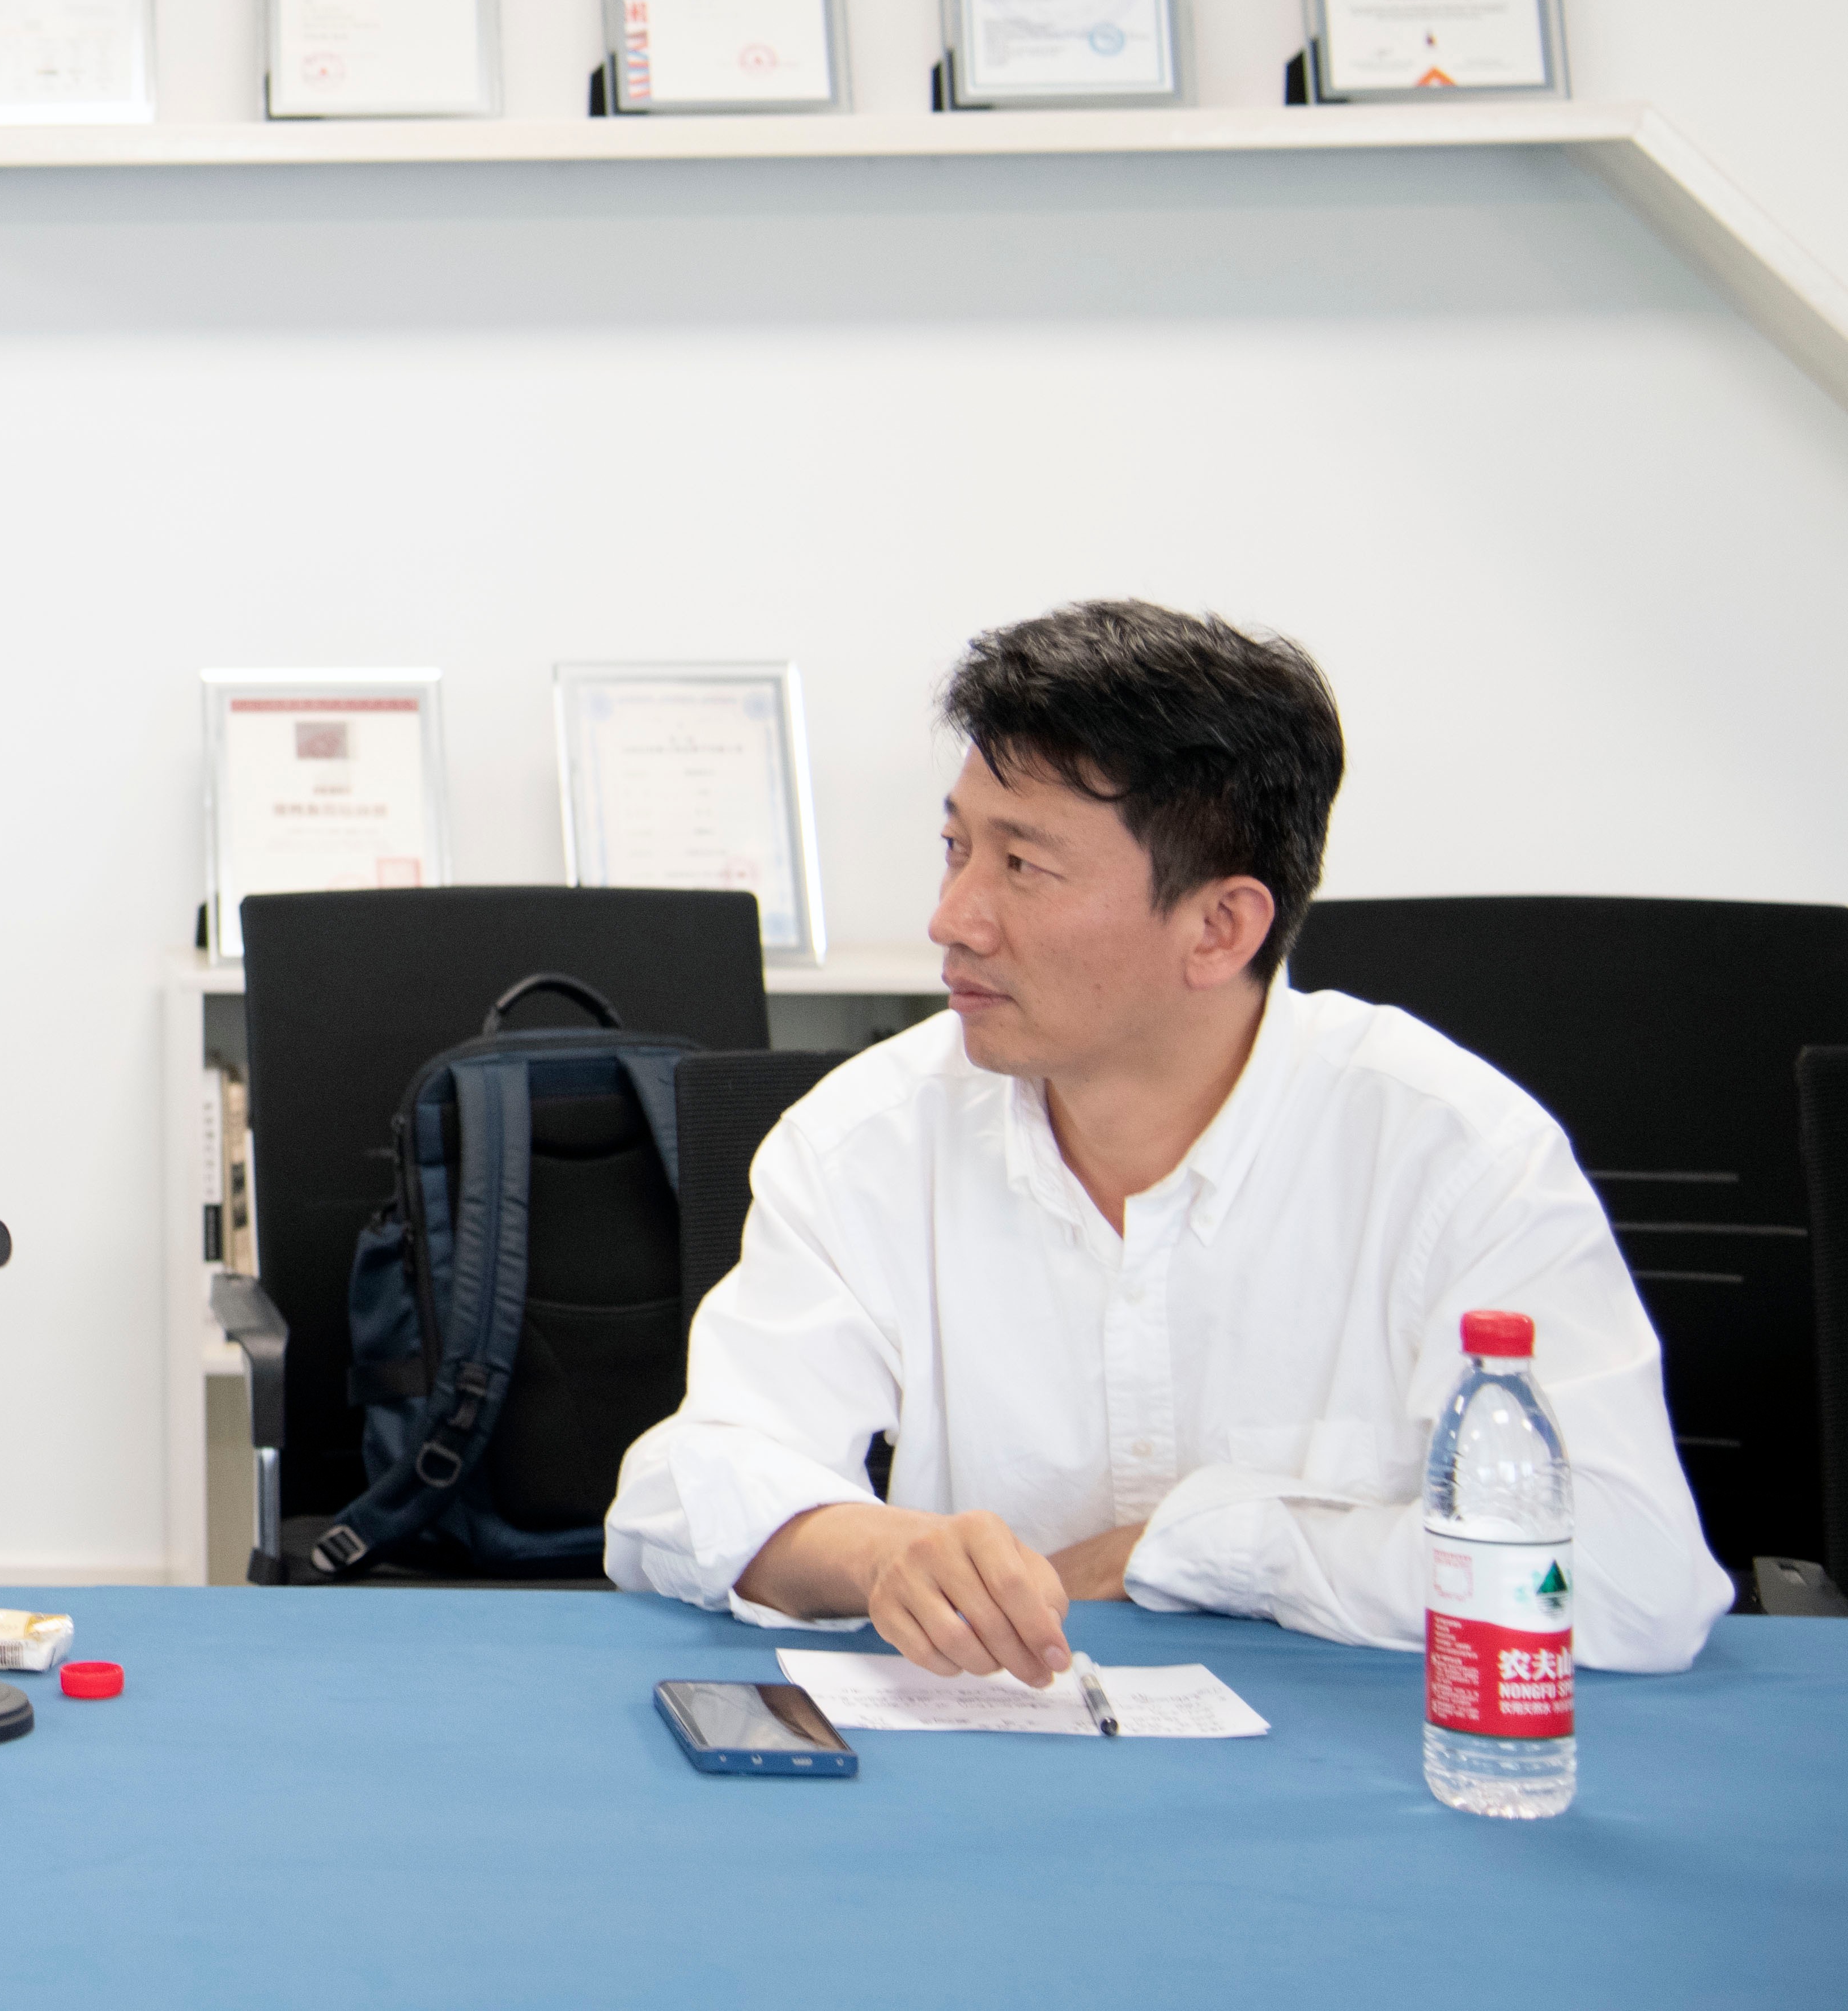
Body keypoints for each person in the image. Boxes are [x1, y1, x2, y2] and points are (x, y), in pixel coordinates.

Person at [606, 600, 1727, 1680]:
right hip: (1000, 1752)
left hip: (1350, 1764)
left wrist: (1190, 1547)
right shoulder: (867, 1138)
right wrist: (881, 1552)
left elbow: (1630, 1576)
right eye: (955, 848)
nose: (951, 917)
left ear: (1218, 927)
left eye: (1021, 866)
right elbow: (676, 1496)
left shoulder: (1454, 1157)